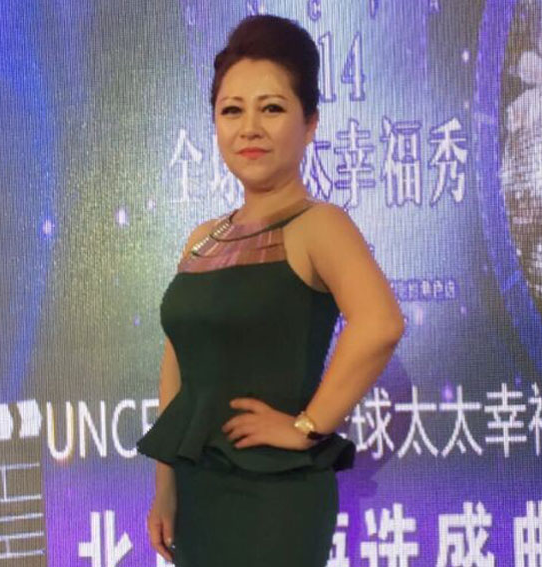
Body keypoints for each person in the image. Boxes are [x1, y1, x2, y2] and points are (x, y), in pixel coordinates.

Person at [137, 15, 404, 567]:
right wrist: (165, 485)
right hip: (198, 489)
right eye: (232, 111)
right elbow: (178, 365)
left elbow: (380, 323)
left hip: (275, 497)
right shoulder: (202, 238)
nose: (250, 128)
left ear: (310, 124)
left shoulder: (318, 224)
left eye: (272, 109)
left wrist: (307, 426)